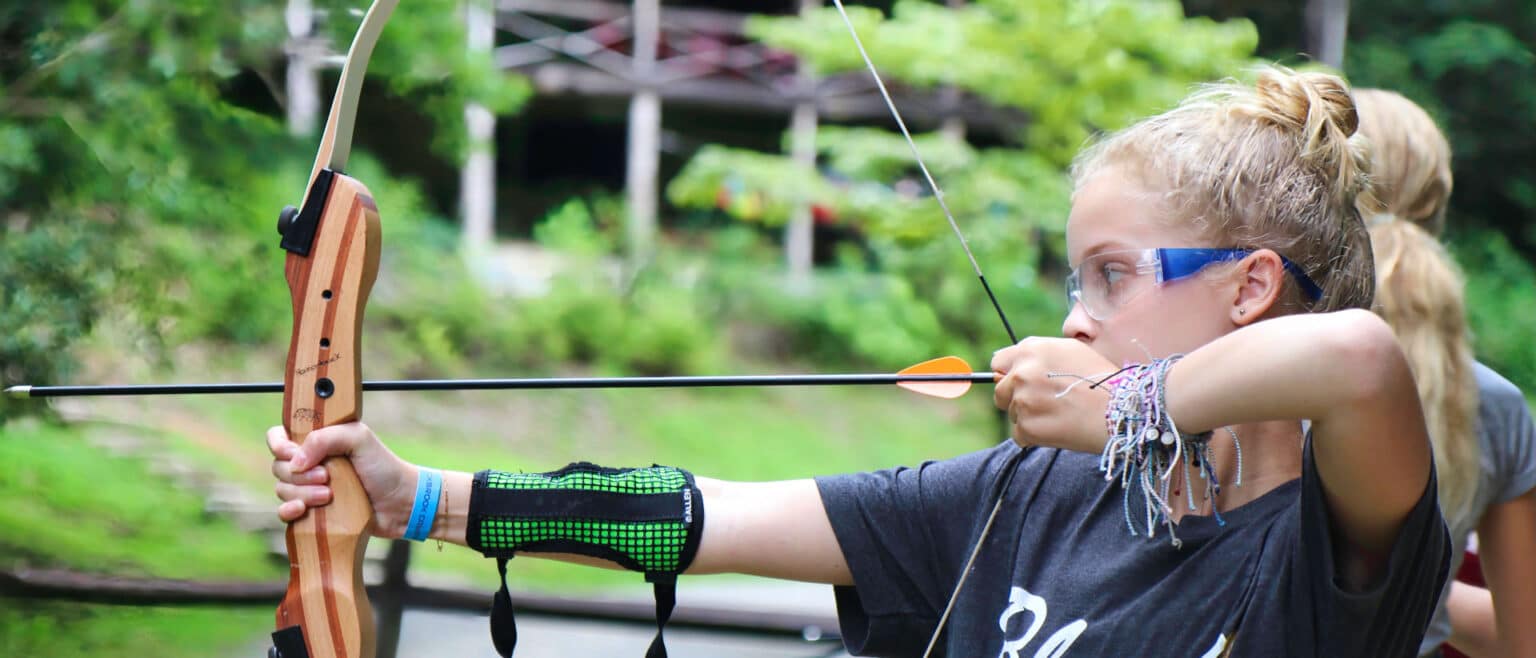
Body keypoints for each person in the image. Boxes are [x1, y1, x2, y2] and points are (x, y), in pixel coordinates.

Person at [269, 67, 1450, 657]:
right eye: (1071, 279)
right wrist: (424, 497)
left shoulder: (1332, 554)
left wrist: (1121, 408)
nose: (1074, 317)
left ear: (1249, 286)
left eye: (1114, 276)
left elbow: (1353, 361)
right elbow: (703, 515)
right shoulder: (1028, 495)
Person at [1355, 87, 1536, 658]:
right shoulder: (1496, 404)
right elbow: (1523, 640)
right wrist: (1416, 590)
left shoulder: (1243, 375)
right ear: (1438, 206)